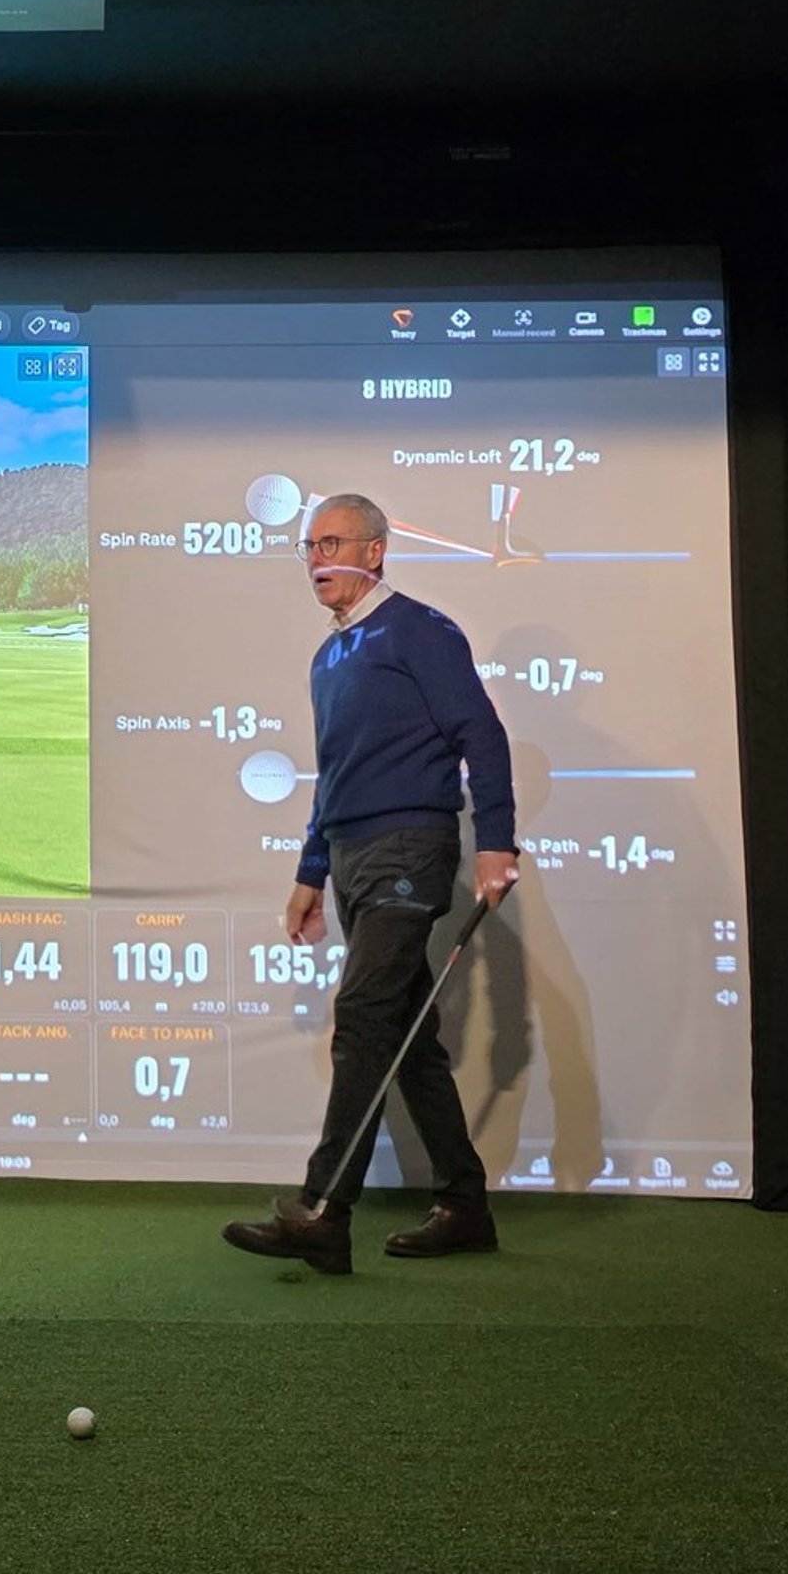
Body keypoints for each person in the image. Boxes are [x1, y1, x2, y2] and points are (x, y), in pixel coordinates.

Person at [224, 491, 517, 1278]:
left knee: (362, 1015)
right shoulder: (328, 658)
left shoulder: (419, 630)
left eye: (332, 543)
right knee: (408, 1038)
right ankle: (465, 1207)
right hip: (353, 857)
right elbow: (334, 775)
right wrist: (310, 871)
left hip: (409, 849)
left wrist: (495, 842)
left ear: (375, 551)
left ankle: (323, 1210)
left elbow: (481, 732)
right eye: (309, 548)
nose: (317, 560)